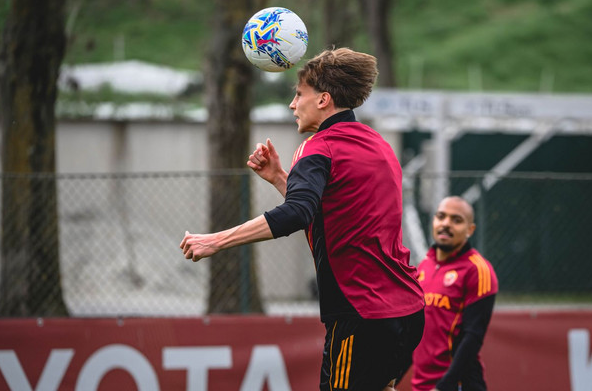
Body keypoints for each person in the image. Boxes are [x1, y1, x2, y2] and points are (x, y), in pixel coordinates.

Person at [180, 47, 425, 391]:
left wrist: (215, 241)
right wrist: (282, 179)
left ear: (323, 100)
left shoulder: (318, 147)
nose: (292, 105)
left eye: (299, 95)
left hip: (361, 314)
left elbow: (297, 213)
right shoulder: (377, 144)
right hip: (408, 310)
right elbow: (335, 212)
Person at [408, 196, 498, 391]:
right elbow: (413, 333)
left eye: (456, 220)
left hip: (457, 385)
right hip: (421, 386)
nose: (446, 224)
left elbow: (473, 337)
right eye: (441, 217)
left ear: (470, 230)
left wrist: (443, 386)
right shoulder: (423, 267)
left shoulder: (478, 270)